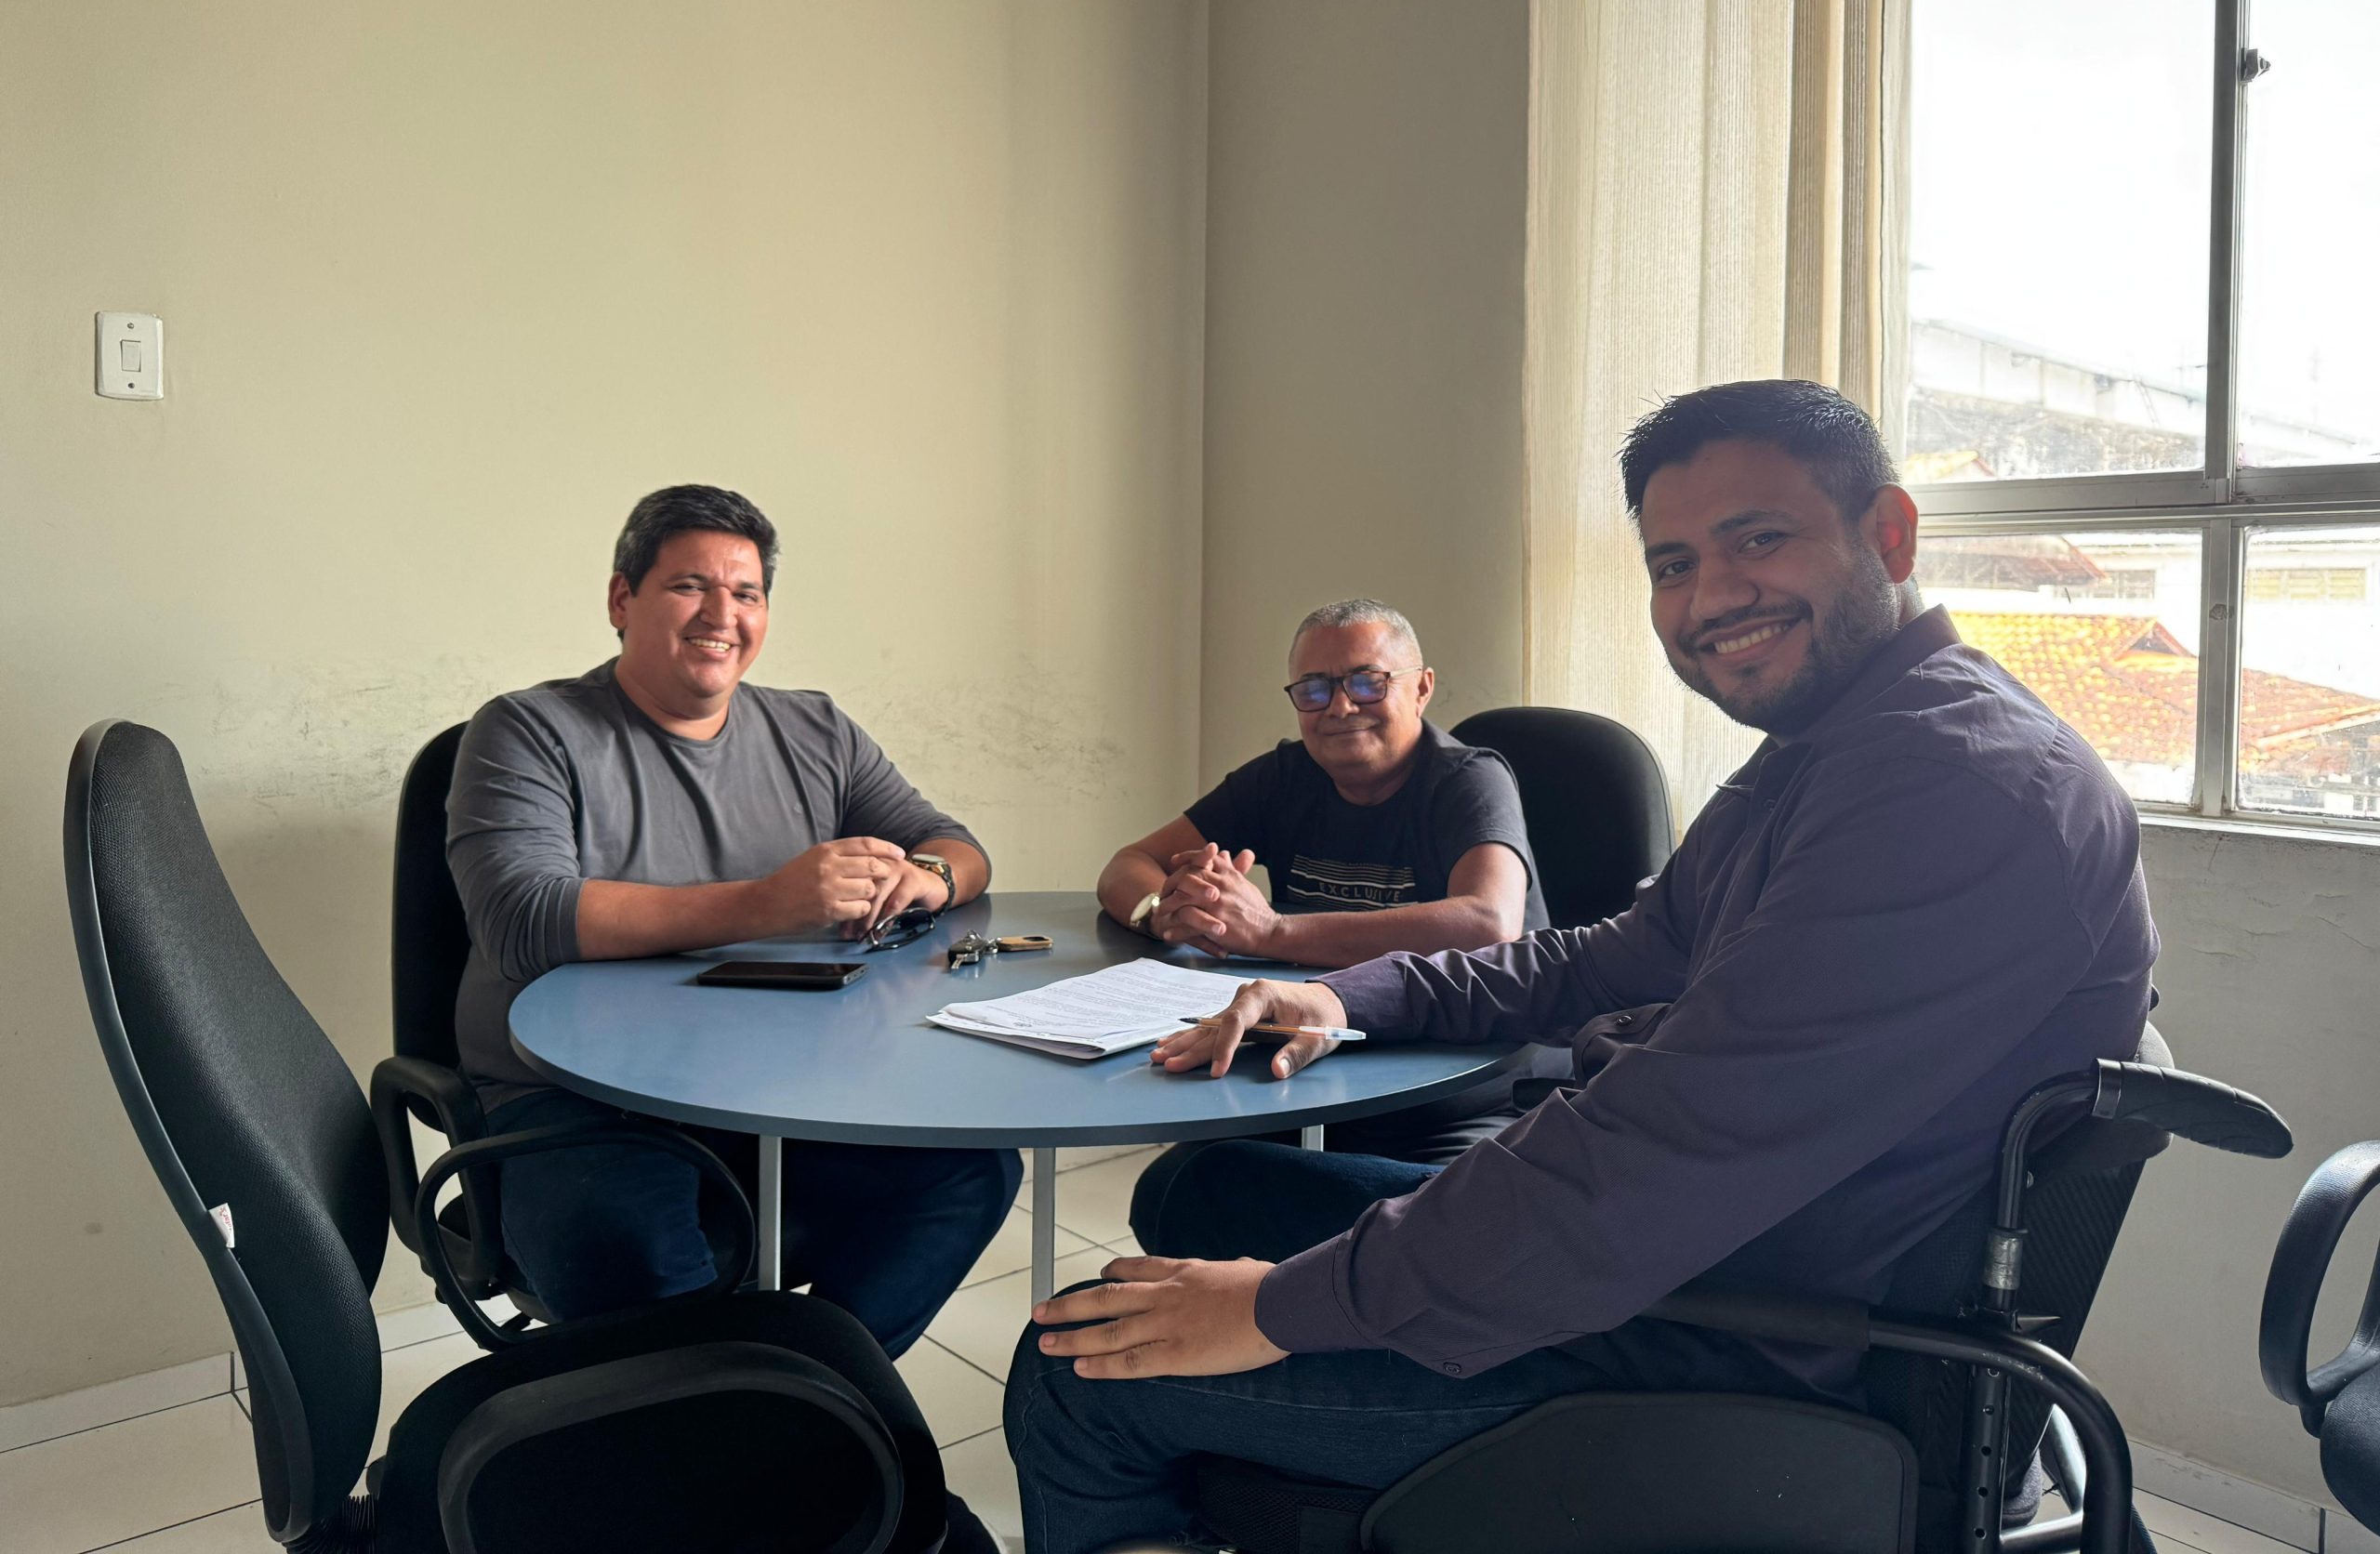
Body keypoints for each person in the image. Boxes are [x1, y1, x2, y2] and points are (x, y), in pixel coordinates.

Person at [1005, 380, 2157, 1554]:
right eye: (1672, 564)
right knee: (1201, 1191)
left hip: (1758, 1347)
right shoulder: (1827, 751)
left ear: (1889, 535)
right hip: (1691, 1260)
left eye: (1759, 538)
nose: (1711, 596)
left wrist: (1276, 1309)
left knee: (1078, 1364)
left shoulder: (1955, 788)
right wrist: (1337, 994)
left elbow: (1659, 1149)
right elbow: (1612, 958)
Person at [447, 483, 1021, 1362]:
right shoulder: (529, 730)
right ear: (622, 599)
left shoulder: (816, 729)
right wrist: (771, 901)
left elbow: (960, 848)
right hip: (574, 1096)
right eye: (689, 586)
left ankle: (808, 1399)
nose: (722, 615)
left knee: (970, 1171)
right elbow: (524, 919)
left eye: (746, 593)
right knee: (634, 1251)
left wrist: (926, 878)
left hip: (776, 1084)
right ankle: (732, 1415)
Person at [1097, 599, 1557, 1165]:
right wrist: (1162, 912)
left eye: (1367, 682)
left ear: (1422, 688)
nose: (1340, 706)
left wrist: (1272, 931)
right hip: (1309, 1073)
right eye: (1314, 689)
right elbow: (1129, 864)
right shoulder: (1285, 778)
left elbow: (1489, 924)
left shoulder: (1470, 779)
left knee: (1389, 1211)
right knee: (1176, 1188)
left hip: (1454, 1091)